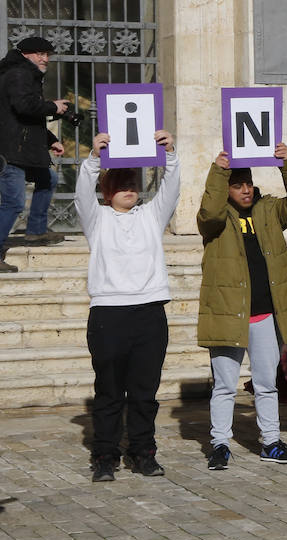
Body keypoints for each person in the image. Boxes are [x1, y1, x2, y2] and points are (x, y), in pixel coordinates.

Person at [196, 144, 287, 469]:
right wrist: (218, 171)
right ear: (226, 189)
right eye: (236, 184)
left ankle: (271, 441)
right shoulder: (215, 221)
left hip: (263, 316)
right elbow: (209, 213)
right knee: (224, 386)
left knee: (266, 383)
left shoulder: (269, 210)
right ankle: (220, 444)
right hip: (227, 316)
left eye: (247, 182)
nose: (245, 189)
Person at [75, 130, 180, 482]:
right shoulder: (98, 219)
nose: (129, 188)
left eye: (132, 181)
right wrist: (93, 159)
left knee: (144, 392)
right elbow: (81, 197)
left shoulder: (151, 216)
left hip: (150, 311)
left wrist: (170, 154)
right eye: (120, 182)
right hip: (108, 314)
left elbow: (171, 190)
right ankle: (105, 455)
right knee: (108, 391)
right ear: (108, 190)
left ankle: (142, 451)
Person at [0, 36, 69, 272]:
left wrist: (51, 140)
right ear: (26, 55)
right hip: (11, 150)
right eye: (40, 54)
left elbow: (24, 118)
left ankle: (36, 231)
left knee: (46, 179)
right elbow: (24, 106)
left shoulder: (23, 74)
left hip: (22, 147)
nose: (45, 59)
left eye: (47, 54)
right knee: (13, 202)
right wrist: (53, 106)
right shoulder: (19, 74)